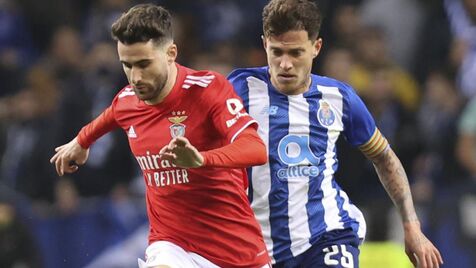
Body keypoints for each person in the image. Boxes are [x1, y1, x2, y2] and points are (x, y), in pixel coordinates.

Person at [50, 4, 271, 268]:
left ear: (171, 53)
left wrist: (200, 159)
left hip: (234, 250)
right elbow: (111, 115)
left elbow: (256, 149)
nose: (136, 77)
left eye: (144, 64)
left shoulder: (207, 90)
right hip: (171, 245)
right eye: (127, 65)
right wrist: (81, 141)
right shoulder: (128, 100)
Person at [227, 0, 444, 267]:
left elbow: (385, 158)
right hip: (256, 246)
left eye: (296, 53)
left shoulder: (339, 98)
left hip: (326, 236)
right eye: (277, 52)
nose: (285, 64)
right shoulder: (238, 89)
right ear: (264, 45)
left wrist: (411, 226)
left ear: (316, 47)